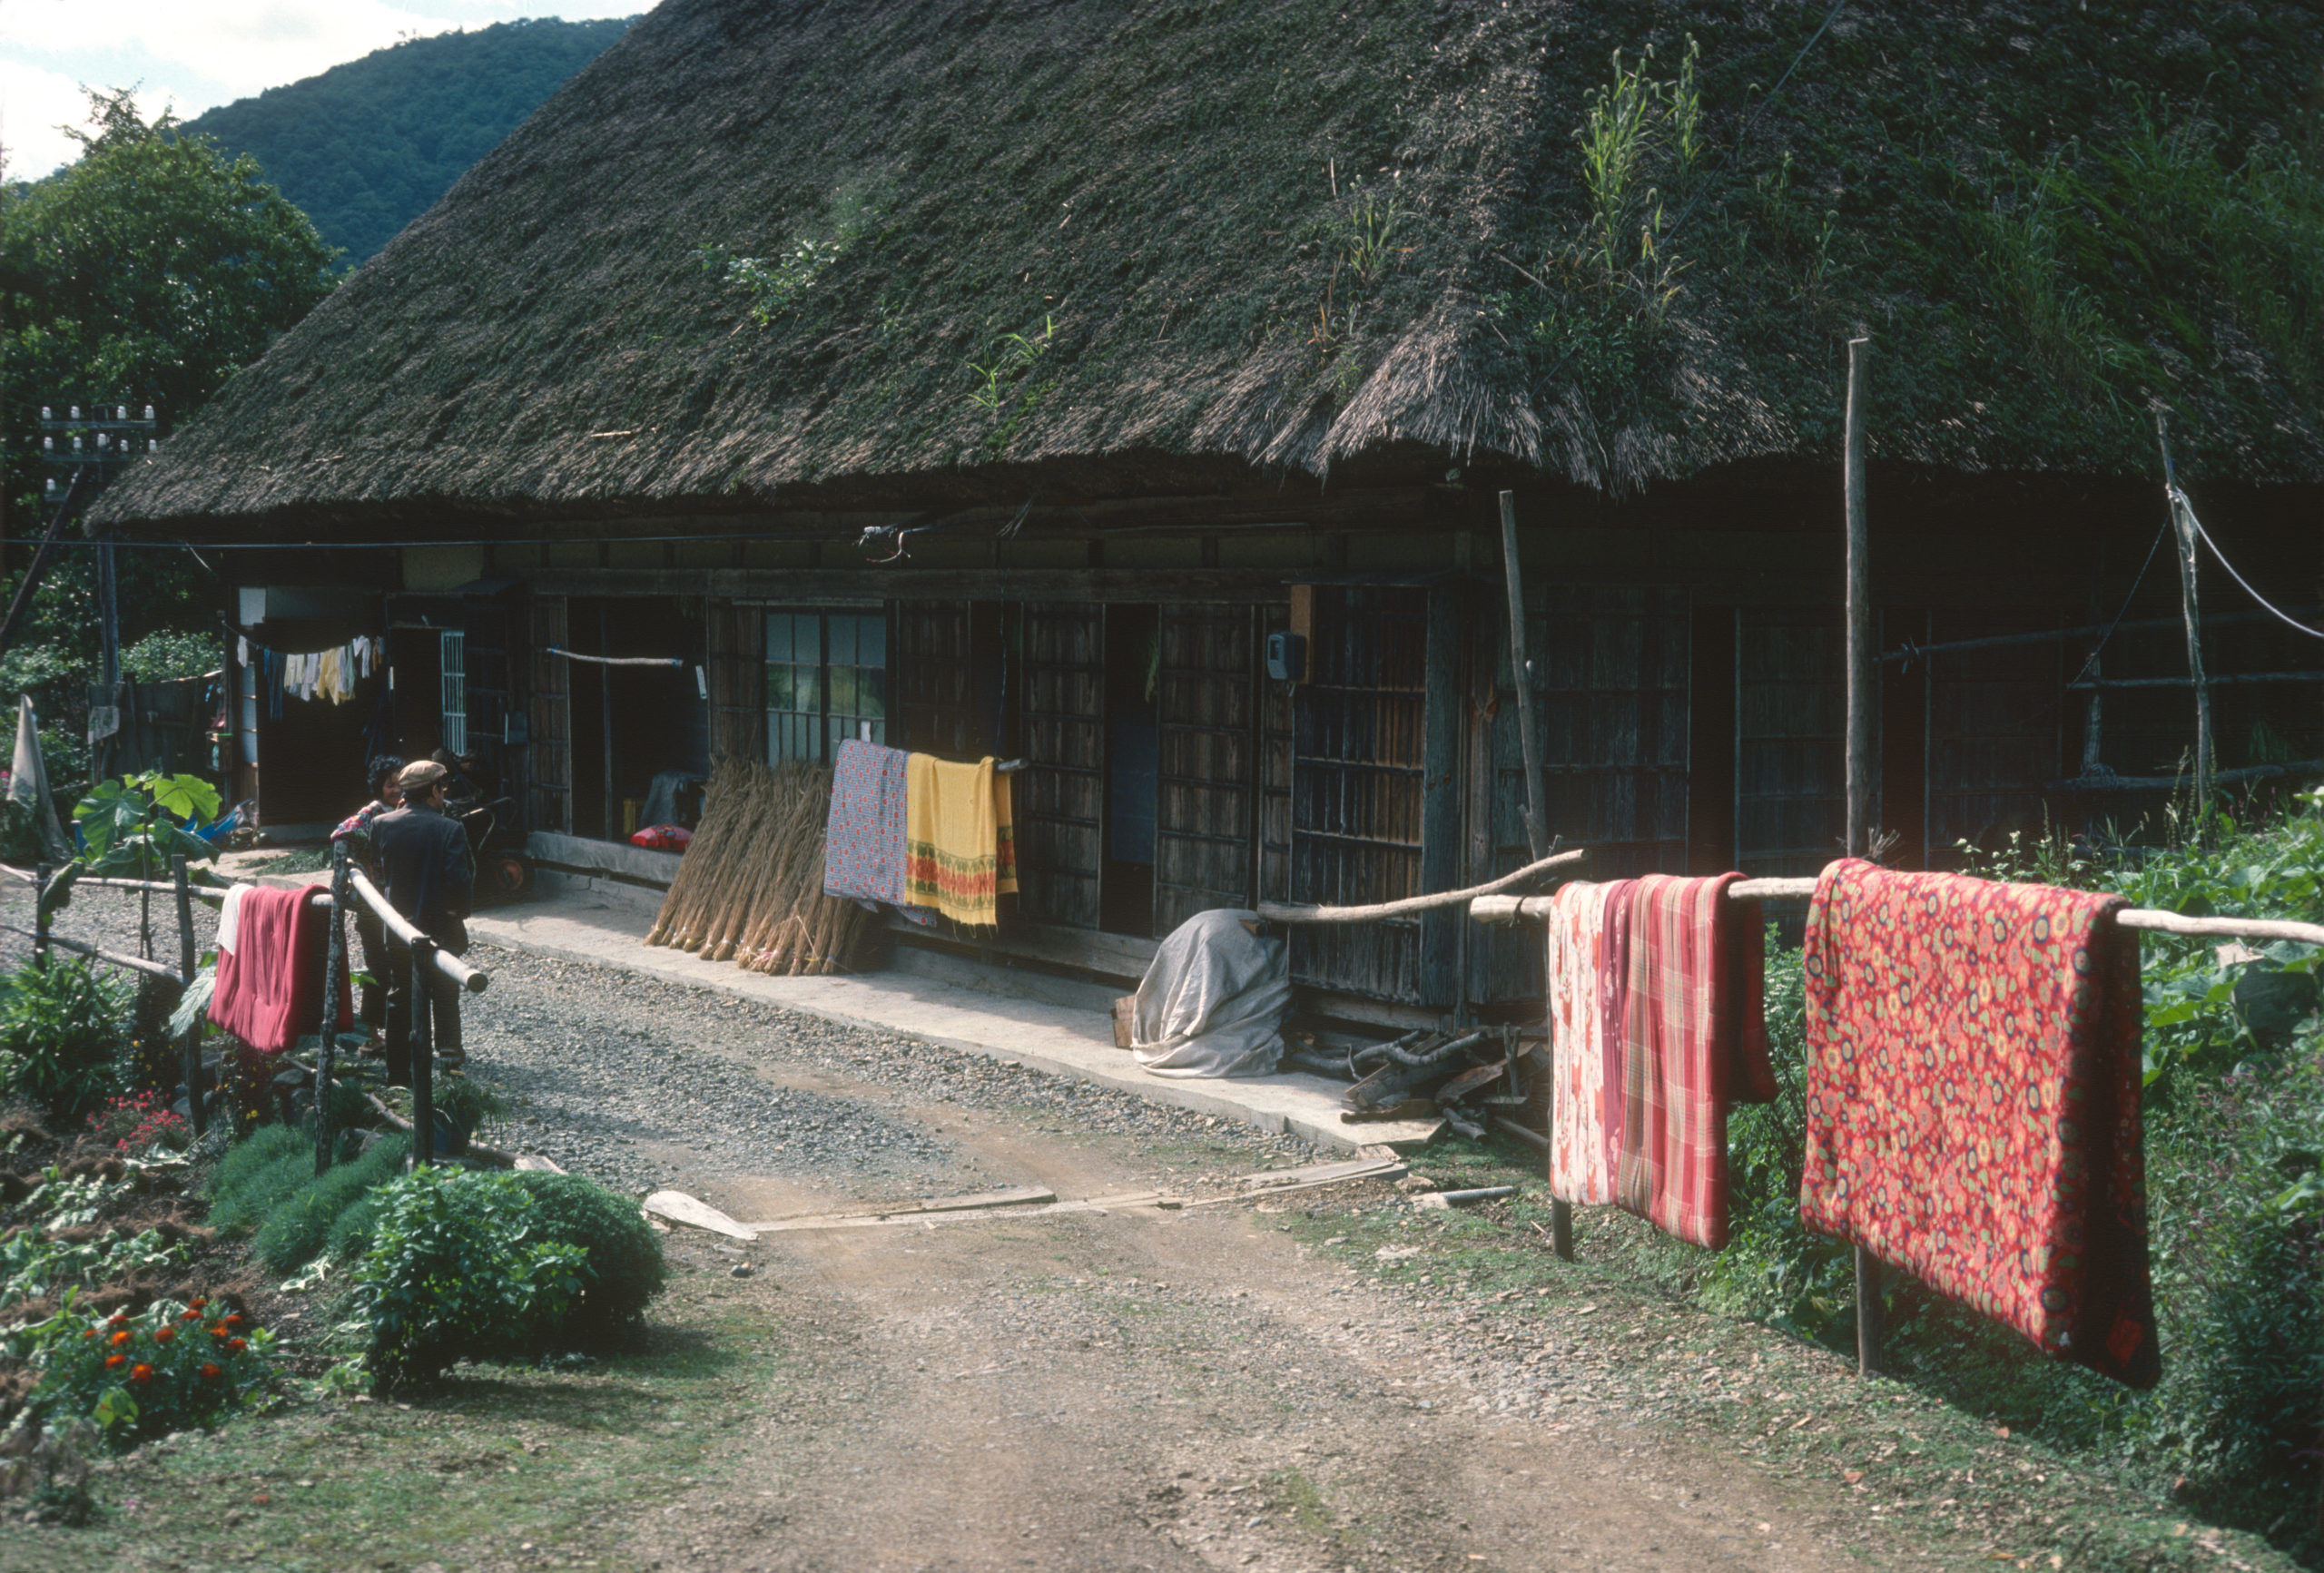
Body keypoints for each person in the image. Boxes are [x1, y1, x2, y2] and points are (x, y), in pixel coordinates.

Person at [370, 759, 474, 1080]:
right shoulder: (451, 829)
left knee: (401, 996)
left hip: (398, 929)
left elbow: (378, 873)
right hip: (441, 927)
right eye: (442, 789)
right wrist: (458, 913)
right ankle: (449, 1064)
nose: (443, 795)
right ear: (433, 790)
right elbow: (460, 883)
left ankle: (398, 1072)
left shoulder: (382, 825)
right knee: (445, 994)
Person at [330, 754, 403, 1042]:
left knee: (400, 965)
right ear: (379, 787)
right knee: (377, 967)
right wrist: (363, 864)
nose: (396, 790)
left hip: (399, 899)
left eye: (401, 784)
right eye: (390, 785)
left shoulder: (404, 809)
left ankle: (397, 1030)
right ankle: (373, 1034)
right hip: (372, 903)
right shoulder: (373, 813)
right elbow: (341, 833)